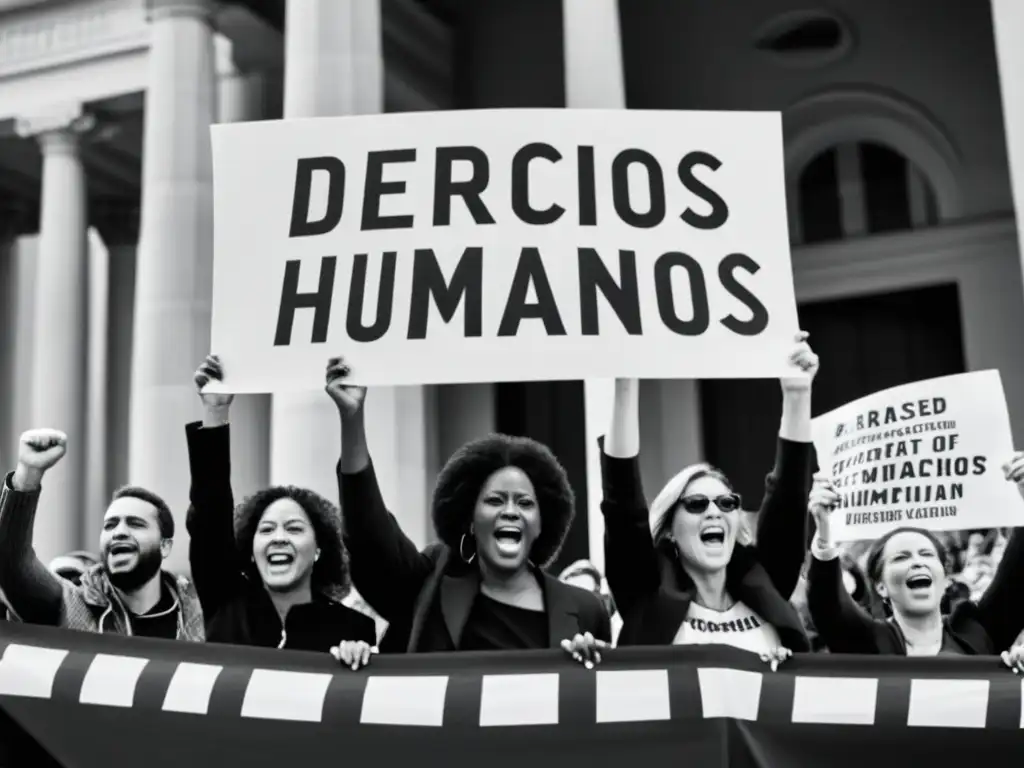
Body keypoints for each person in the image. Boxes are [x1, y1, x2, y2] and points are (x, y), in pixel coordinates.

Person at [328, 357, 611, 665]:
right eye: (495, 500)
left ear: (542, 524)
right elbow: (371, 538)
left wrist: (590, 663)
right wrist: (352, 420)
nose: (511, 511)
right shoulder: (433, 582)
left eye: (525, 503)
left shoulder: (586, 610)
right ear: (471, 521)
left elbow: (601, 702)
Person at [599, 333, 819, 669]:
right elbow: (622, 503)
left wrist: (797, 394)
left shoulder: (764, 583)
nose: (714, 511)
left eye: (726, 503)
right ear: (670, 530)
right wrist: (625, 382)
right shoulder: (648, 590)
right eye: (697, 504)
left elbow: (788, 498)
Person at [189, 355, 376, 666]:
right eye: (266, 529)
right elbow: (210, 508)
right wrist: (215, 410)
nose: (278, 538)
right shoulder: (227, 601)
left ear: (318, 550)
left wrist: (359, 658)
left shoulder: (354, 628)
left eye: (294, 528)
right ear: (250, 550)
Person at [806, 455, 1024, 671]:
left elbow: (1018, 576)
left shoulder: (977, 632)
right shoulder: (866, 642)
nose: (918, 562)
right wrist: (824, 530)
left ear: (946, 579)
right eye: (901, 557)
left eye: (927, 554)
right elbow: (827, 603)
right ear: (881, 586)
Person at [0, 429, 203, 639]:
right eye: (110, 525)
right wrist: (28, 474)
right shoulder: (74, 606)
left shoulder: (198, 616)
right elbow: (12, 564)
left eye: (136, 524)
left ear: (165, 546)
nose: (119, 532)